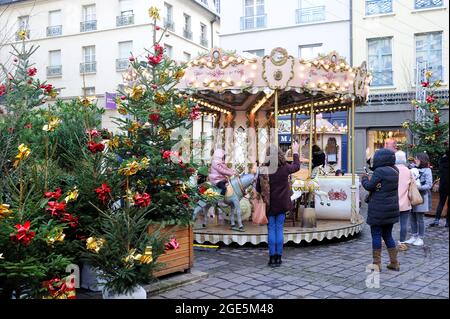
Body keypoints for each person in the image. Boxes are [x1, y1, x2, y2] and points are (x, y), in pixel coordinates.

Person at [256, 141, 300, 267]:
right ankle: (278, 258)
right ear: (280, 155)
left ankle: (271, 258)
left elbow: (258, 188)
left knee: (271, 229)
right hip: (281, 204)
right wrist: (295, 151)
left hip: (270, 204)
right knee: (279, 229)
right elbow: (297, 166)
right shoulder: (285, 168)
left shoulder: (264, 169)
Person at [361, 148, 400, 271]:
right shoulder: (395, 170)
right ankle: (394, 262)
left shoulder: (379, 171)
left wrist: (364, 178)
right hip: (391, 209)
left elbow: (369, 186)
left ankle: (377, 264)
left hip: (378, 209)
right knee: (388, 236)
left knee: (376, 235)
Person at [405, 153, 433, 246]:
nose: (415, 161)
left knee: (420, 218)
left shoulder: (427, 170)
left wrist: (418, 187)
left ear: (422, 160)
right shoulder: (412, 168)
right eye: (415, 159)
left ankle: (420, 238)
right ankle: (414, 236)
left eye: (417, 159)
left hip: (421, 197)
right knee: (412, 216)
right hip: (412, 196)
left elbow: (429, 185)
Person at [395, 151, 412, 251]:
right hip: (405, 201)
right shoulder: (408, 171)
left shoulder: (392, 170)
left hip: (392, 201)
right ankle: (402, 242)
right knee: (404, 224)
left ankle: (384, 239)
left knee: (388, 223)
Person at [429, 150, 449, 227]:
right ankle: (447, 223)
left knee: (441, 202)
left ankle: (436, 220)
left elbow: (440, 172)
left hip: (443, 185)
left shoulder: (442, 161)